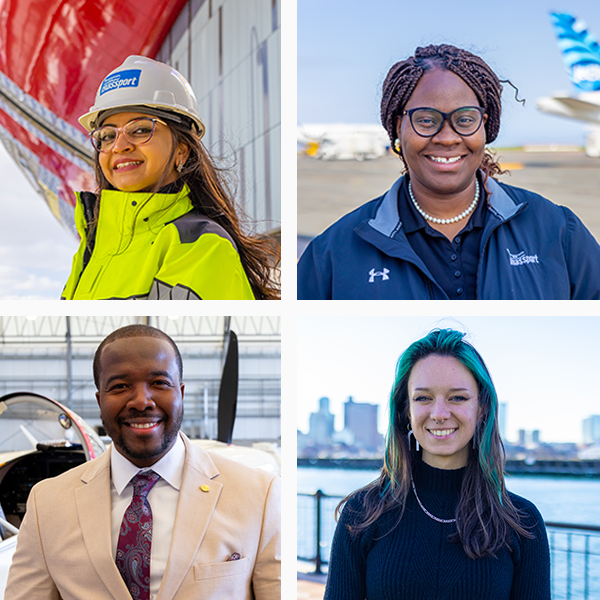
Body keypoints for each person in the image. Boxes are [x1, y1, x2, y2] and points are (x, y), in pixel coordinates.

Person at [297, 44, 600, 300]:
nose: (447, 137)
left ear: (486, 127)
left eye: (465, 119)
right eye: (426, 120)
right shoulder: (331, 254)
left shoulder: (559, 232)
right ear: (396, 129)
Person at [5, 324, 280, 600]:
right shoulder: (46, 503)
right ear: (100, 401)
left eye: (159, 383)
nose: (141, 401)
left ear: (181, 394)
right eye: (120, 386)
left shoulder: (259, 494)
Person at [324, 328, 550, 600]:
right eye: (423, 398)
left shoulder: (522, 523)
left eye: (458, 397)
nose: (440, 414)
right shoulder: (362, 514)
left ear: (482, 409)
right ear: (405, 410)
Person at [61, 55, 279, 300]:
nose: (119, 146)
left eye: (141, 129)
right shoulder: (91, 250)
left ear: (181, 150)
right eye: (107, 135)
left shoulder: (201, 247)